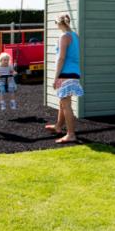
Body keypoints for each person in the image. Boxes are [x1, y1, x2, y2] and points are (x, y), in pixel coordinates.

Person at [46, 14, 84, 144]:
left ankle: (71, 134)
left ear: (58, 23)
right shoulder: (75, 36)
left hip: (65, 73)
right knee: (63, 102)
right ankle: (58, 126)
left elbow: (61, 58)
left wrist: (56, 77)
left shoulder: (64, 36)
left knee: (66, 104)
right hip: (74, 72)